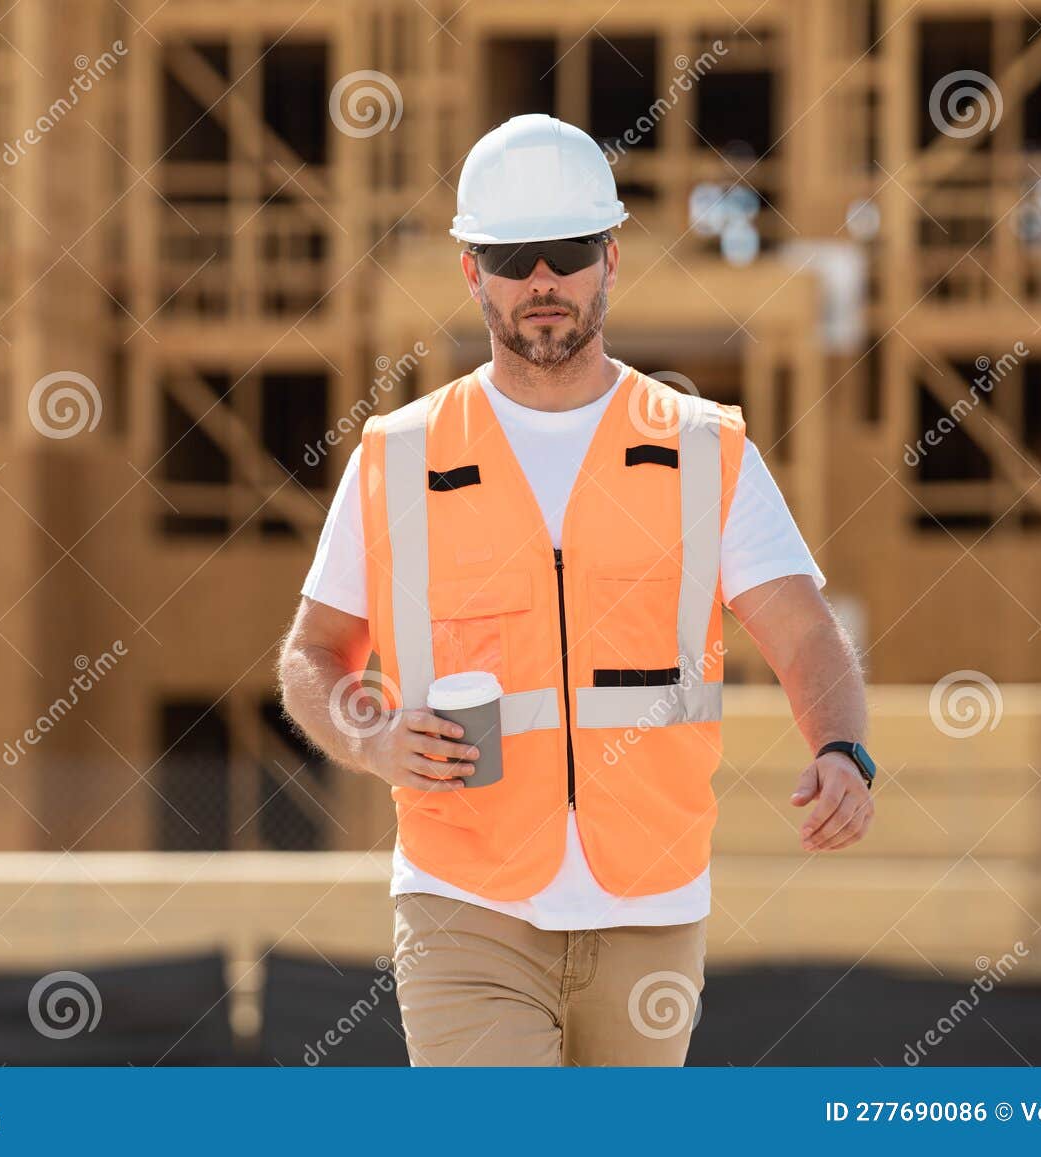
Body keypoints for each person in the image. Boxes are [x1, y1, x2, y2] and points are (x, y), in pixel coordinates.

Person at [278, 114, 874, 1067]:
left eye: (565, 252)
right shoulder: (398, 460)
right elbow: (314, 655)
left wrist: (843, 749)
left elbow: (804, 633)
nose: (542, 282)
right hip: (464, 901)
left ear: (609, 258)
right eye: (515, 257)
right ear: (473, 272)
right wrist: (373, 736)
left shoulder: (701, 449)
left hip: (653, 905)